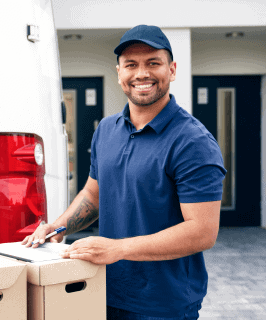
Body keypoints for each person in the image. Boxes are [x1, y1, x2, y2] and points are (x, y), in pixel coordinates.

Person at [22, 25, 226, 320]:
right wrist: (58, 228)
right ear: (119, 74)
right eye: (131, 65)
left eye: (153, 63)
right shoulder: (106, 129)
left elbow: (202, 232)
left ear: (172, 69)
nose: (141, 73)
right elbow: (94, 193)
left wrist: (118, 248)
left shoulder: (193, 142)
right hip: (102, 289)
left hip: (163, 304)